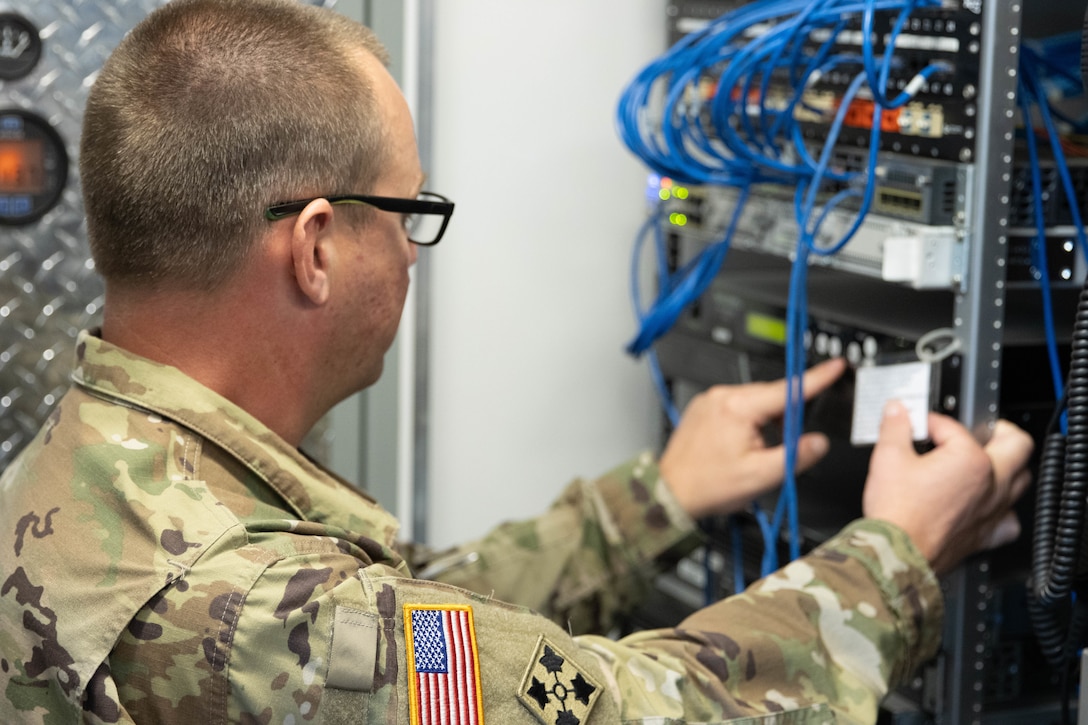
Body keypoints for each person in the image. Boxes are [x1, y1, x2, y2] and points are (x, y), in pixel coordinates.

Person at [0, 0, 1034, 722]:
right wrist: (895, 552)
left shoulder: (94, 462)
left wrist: (651, 498)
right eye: (408, 212)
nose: (412, 252)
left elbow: (415, 633)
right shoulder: (251, 612)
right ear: (315, 248)